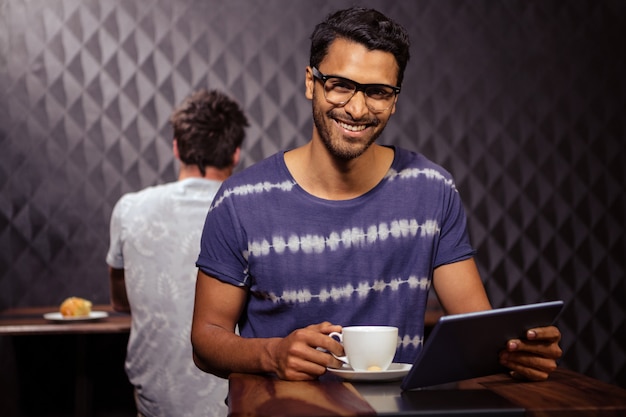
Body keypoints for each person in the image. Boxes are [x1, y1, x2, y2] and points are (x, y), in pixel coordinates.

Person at [191, 7, 562, 383]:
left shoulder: (433, 190)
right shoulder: (240, 200)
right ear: (310, 82)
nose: (356, 109)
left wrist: (518, 351)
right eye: (340, 84)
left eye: (378, 92)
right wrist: (270, 354)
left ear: (395, 99)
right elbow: (205, 341)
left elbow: (476, 331)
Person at [107, 89, 249, 416]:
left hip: (155, 406)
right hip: (234, 404)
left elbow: (119, 300)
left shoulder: (129, 210)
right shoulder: (250, 212)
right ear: (235, 153)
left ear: (176, 148)